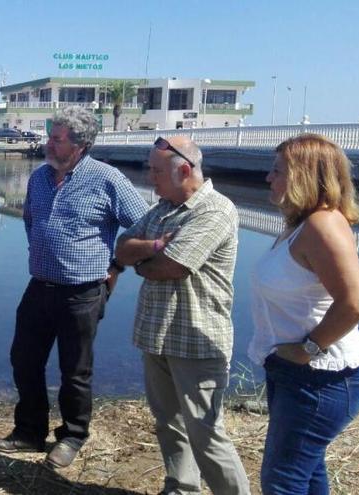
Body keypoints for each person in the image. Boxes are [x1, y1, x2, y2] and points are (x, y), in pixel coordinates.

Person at [0, 106, 148, 469]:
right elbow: (31, 221)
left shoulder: (108, 179)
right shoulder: (40, 178)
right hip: (39, 286)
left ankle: (73, 435)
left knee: (75, 370)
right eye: (50, 136)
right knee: (24, 359)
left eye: (56, 139)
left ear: (80, 144)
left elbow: (143, 224)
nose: (48, 144)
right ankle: (29, 431)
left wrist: (117, 265)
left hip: (83, 293)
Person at [115, 136, 250, 495]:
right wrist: (155, 246)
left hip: (197, 337)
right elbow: (123, 247)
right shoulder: (162, 209)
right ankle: (181, 487)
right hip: (156, 333)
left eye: (156, 171)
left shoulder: (215, 211)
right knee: (168, 423)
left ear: (185, 170)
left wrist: (145, 263)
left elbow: (173, 267)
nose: (149, 177)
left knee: (206, 432)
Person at [248, 134, 359, 494]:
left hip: (322, 377)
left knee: (282, 481)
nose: (269, 178)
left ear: (304, 175)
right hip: (298, 372)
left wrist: (308, 349)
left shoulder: (323, 225)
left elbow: (355, 304)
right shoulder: (301, 225)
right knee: (307, 469)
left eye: (277, 170)